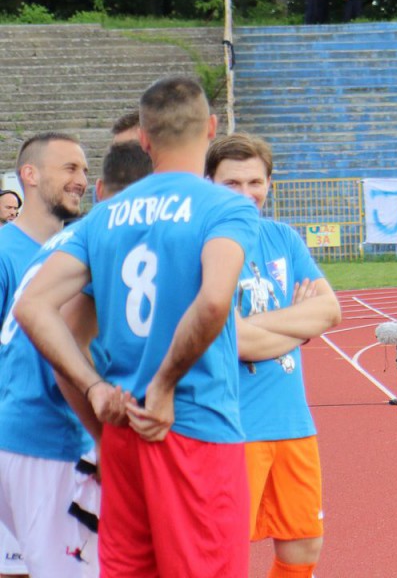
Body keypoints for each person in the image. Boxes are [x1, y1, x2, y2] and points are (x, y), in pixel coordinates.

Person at [14, 77, 261, 578]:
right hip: (192, 424)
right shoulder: (225, 206)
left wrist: (94, 387)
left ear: (144, 139)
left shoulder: (103, 216)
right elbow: (215, 299)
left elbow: (33, 305)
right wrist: (164, 385)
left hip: (122, 428)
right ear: (211, 128)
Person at [205, 135, 342, 578]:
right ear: (209, 184)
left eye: (255, 182)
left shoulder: (283, 238)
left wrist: (261, 327)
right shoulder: (205, 245)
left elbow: (330, 310)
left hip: (293, 422)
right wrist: (298, 327)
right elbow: (237, 342)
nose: (246, 193)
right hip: (234, 427)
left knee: (304, 545)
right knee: (223, 553)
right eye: (231, 183)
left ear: (269, 184)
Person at [0, 133, 91, 578]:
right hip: (26, 442)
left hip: (69, 443)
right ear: (30, 175)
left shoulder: (76, 250)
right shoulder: (5, 251)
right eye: (70, 168)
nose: (82, 180)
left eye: (85, 170)